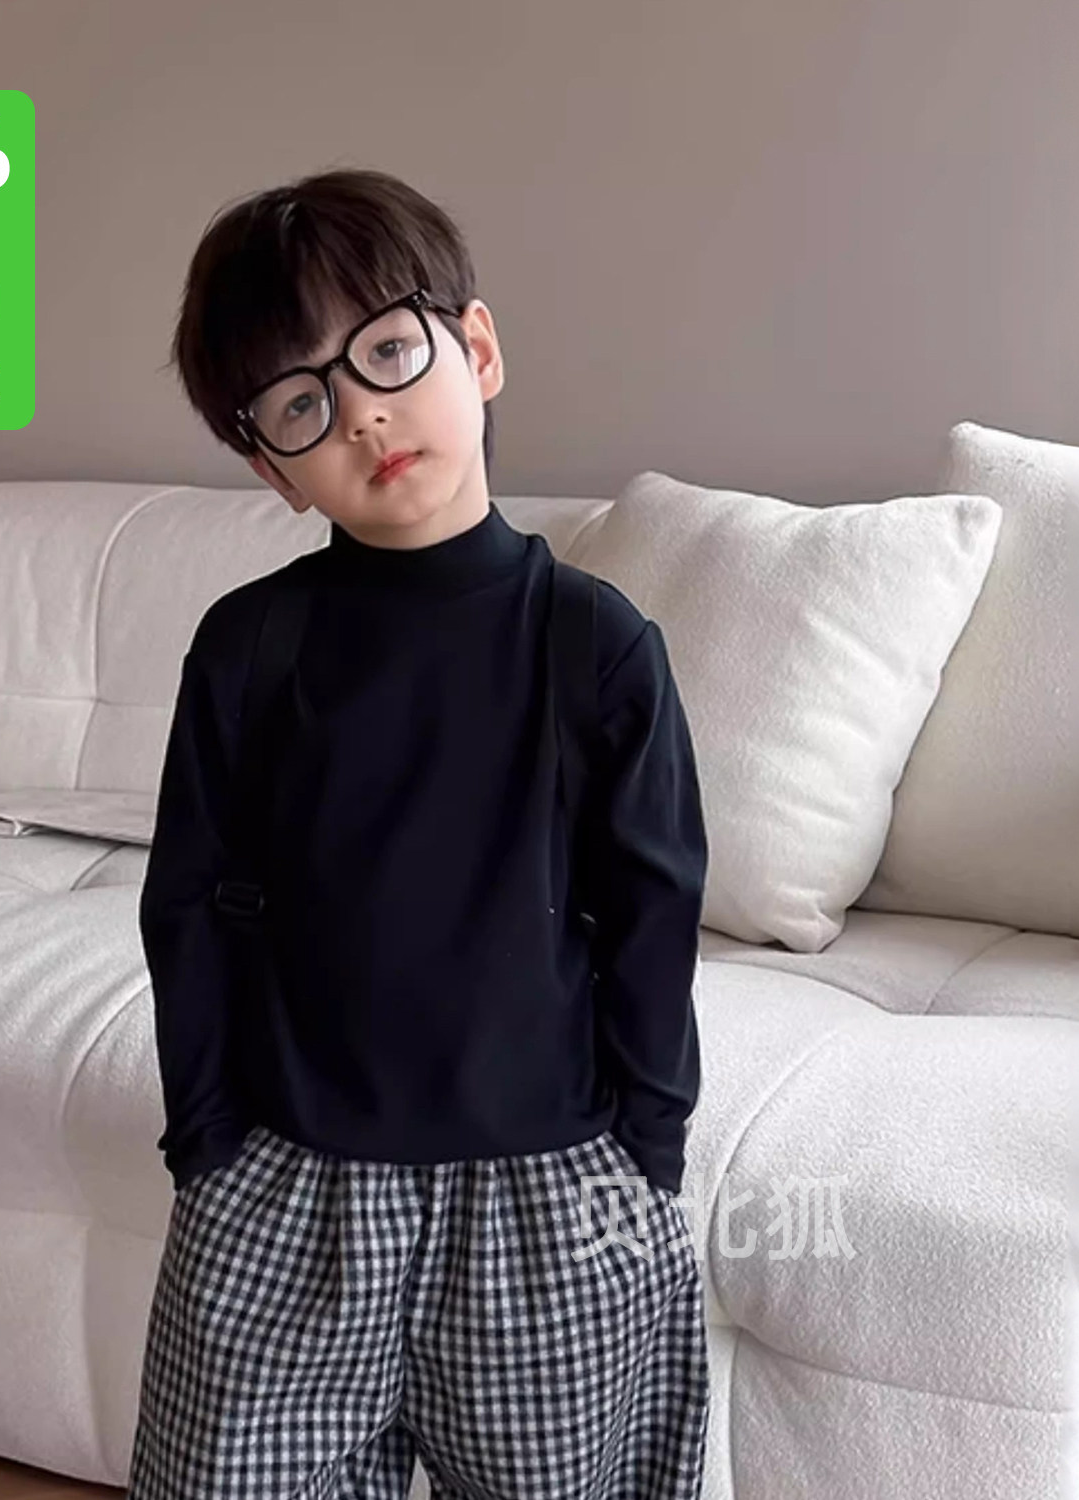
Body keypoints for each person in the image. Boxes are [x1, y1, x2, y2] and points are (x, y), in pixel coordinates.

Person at [130, 166, 710, 1500]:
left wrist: (647, 1154)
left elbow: (653, 920)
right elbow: (189, 906)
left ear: (477, 349)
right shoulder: (250, 649)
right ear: (270, 467)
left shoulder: (597, 646)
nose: (361, 414)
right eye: (300, 402)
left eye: (387, 351)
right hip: (287, 1189)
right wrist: (206, 1141)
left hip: (554, 1191)